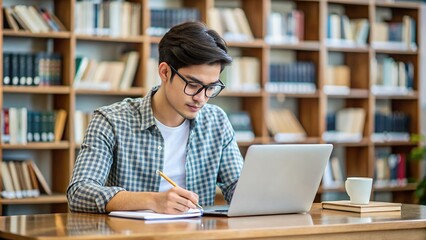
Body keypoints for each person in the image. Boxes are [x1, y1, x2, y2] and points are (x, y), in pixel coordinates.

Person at [67, 21, 244, 214]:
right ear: (165, 72)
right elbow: (79, 192)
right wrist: (152, 200)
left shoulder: (217, 121)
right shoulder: (110, 120)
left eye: (210, 87)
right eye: (193, 85)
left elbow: (239, 188)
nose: (201, 98)